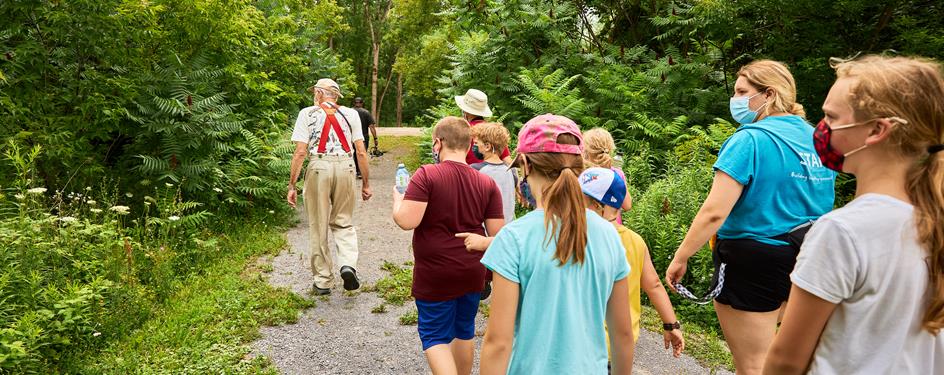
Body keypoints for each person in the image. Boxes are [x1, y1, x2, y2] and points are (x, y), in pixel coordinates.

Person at [764, 55, 944, 374]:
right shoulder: (934, 222)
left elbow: (786, 361)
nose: (821, 129)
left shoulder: (843, 231)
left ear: (877, 129)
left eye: (831, 117)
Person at [663, 60, 836, 374]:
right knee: (787, 360)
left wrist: (681, 257)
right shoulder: (818, 142)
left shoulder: (750, 139)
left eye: (742, 92)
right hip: (810, 255)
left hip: (753, 259)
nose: (736, 99)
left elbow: (715, 211)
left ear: (769, 94)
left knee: (754, 365)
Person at [478, 114, 634, 375]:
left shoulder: (514, 238)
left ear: (525, 164)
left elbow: (498, 343)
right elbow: (622, 334)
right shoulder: (610, 235)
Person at [391, 116, 505, 375]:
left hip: (436, 272)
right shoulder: (486, 183)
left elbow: (407, 221)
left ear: (437, 143)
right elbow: (499, 235)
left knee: (434, 336)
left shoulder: (427, 175)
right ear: (469, 146)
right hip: (472, 269)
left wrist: (397, 200)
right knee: (464, 329)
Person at [579, 167, 684, 358]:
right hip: (618, 348)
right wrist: (671, 324)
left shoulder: (577, 237)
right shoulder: (635, 241)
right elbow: (653, 285)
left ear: (596, 206)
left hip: (581, 346)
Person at [287, 78, 372, 295]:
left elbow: (300, 152)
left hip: (318, 167)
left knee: (318, 225)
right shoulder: (351, 114)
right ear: (336, 96)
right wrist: (366, 184)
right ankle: (347, 265)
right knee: (343, 222)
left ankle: (323, 281)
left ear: (318, 93)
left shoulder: (307, 114)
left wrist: (292, 185)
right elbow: (360, 151)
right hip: (346, 167)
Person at [583, 127, 633, 223]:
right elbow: (627, 205)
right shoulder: (617, 174)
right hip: (612, 230)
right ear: (610, 148)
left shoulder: (582, 174)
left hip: (586, 228)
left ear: (586, 150)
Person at [470, 122, 517, 222]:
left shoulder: (475, 171)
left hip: (485, 231)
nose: (474, 147)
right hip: (508, 229)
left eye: (476, 143)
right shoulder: (511, 172)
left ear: (487, 146)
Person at [455, 88, 512, 165]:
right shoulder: (493, 131)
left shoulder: (461, 131)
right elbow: (507, 161)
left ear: (465, 111)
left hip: (469, 175)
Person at [352, 97, 377, 178]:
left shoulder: (350, 112)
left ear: (354, 103)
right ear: (362, 103)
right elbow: (371, 126)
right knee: (362, 154)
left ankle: (357, 171)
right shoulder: (366, 112)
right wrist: (375, 138)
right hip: (363, 137)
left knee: (355, 154)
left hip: (352, 137)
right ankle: (360, 172)